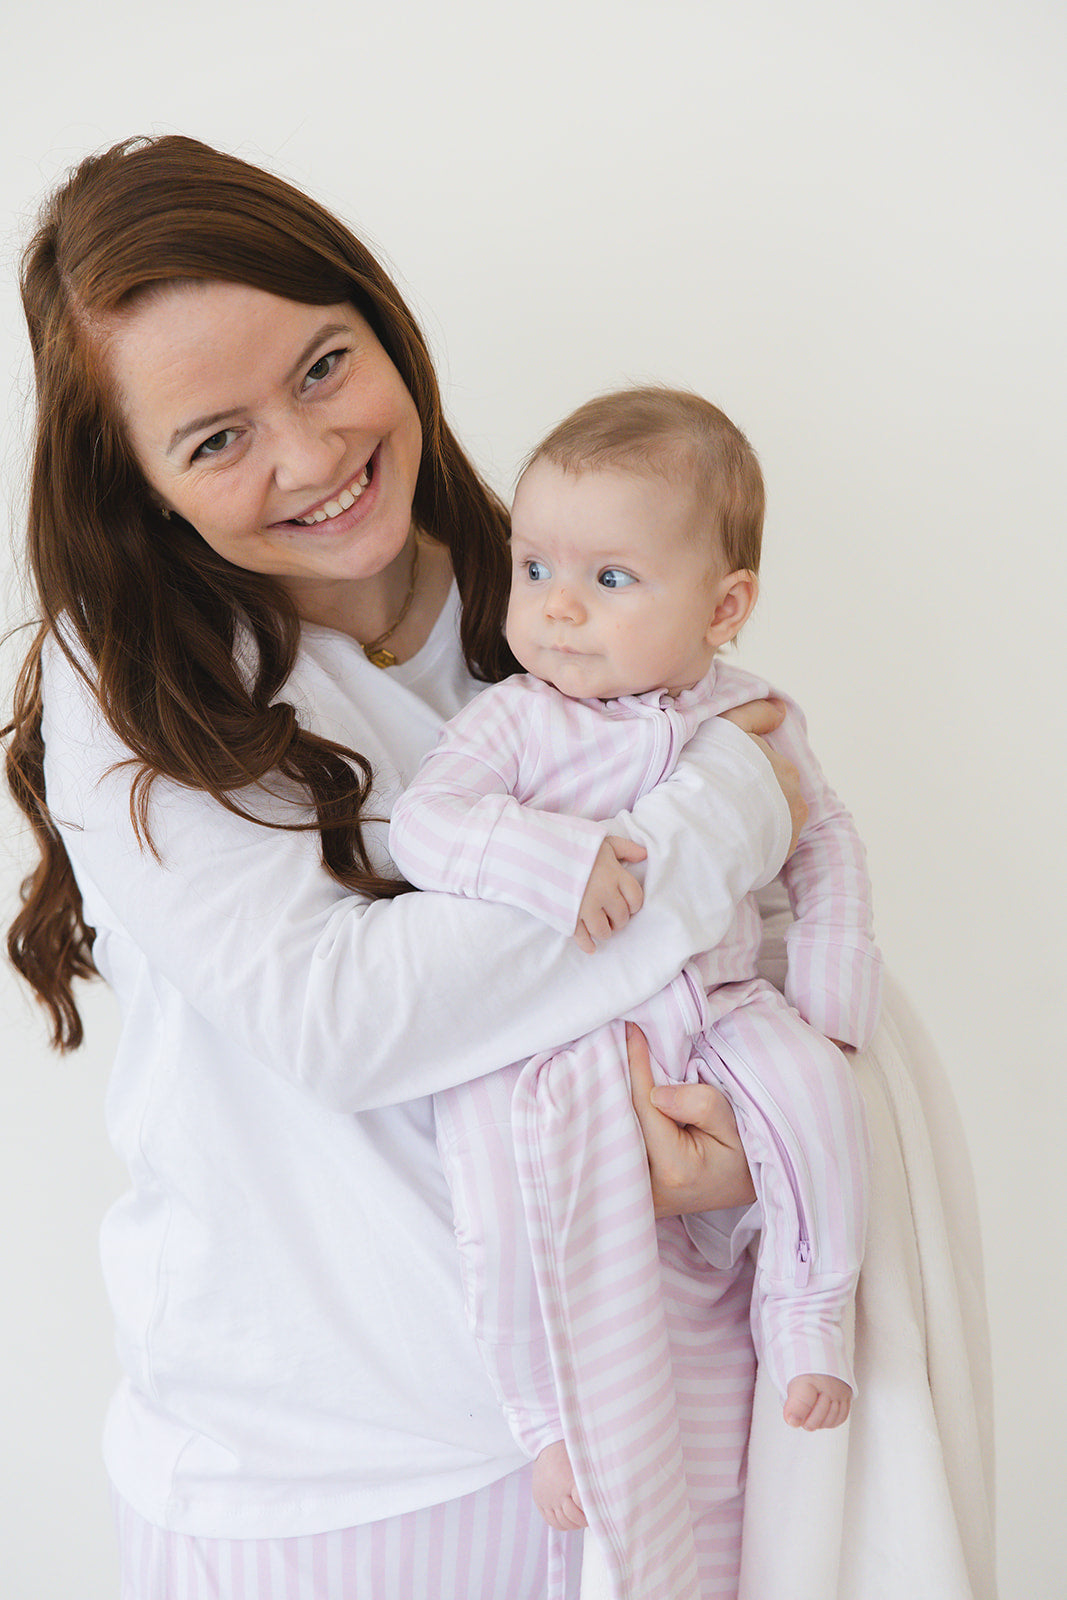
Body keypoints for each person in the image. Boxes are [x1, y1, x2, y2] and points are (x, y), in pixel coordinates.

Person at [3, 136, 804, 1600]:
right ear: (138, 487)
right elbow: (345, 1018)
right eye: (214, 438)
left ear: (380, 322)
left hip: (618, 1401)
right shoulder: (129, 681)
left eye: (320, 367)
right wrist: (726, 812)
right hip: (322, 1484)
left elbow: (728, 979)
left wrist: (744, 1157)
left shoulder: (553, 598)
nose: (309, 456)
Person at [389, 387, 879, 1597]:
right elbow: (424, 827)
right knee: (499, 1203)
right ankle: (541, 1411)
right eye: (537, 565)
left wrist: (824, 1005)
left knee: (820, 1094)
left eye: (609, 578)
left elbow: (823, 850)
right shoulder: (516, 721)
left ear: (722, 607)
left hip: (712, 1012)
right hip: (548, 1046)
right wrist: (552, 861)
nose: (554, 605)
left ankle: (809, 1303)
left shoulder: (748, 714)